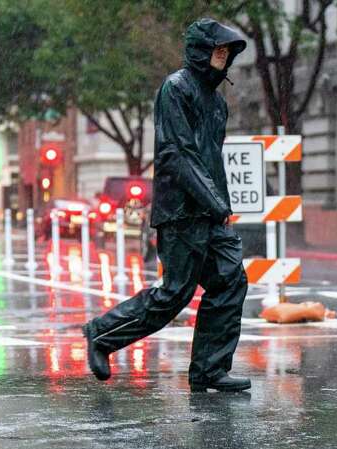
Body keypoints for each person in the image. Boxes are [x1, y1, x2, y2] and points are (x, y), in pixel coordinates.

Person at [83, 18, 251, 393]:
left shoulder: (217, 102)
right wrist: (214, 202)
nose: (222, 58)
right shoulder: (176, 89)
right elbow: (178, 154)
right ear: (200, 51)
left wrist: (220, 205)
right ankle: (102, 334)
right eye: (217, 50)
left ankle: (209, 369)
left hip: (211, 212)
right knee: (174, 294)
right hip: (181, 211)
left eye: (226, 53)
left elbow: (212, 158)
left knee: (230, 281)